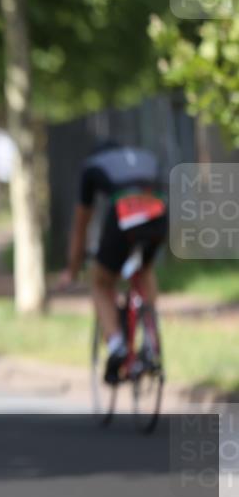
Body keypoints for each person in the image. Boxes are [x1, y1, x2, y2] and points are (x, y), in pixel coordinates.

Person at [60, 139, 168, 383]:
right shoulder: (145, 155)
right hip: (158, 211)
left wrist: (73, 268)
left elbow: (81, 225)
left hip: (124, 212)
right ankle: (151, 339)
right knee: (145, 269)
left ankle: (117, 346)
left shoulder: (91, 166)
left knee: (100, 282)